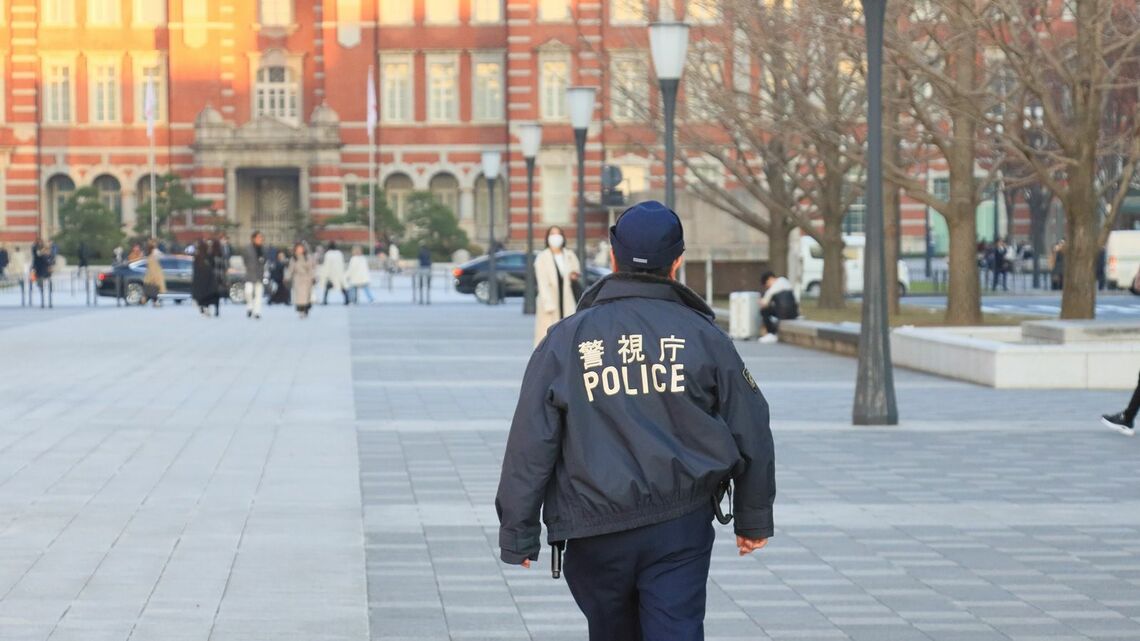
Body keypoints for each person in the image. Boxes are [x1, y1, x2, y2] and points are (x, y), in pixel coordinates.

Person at [496, 200, 775, 641]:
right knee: (676, 628)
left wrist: (518, 529)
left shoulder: (568, 339)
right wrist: (753, 516)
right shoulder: (705, 337)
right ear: (678, 262)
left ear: (612, 256)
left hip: (593, 526)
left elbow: (532, 439)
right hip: (679, 523)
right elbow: (751, 423)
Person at [532, 225, 581, 346]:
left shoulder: (569, 255)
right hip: (549, 301)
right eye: (552, 234)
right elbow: (542, 282)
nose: (555, 237)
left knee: (568, 331)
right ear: (548, 238)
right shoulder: (542, 257)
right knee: (547, 335)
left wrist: (573, 275)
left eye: (558, 234)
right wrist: (548, 303)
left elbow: (576, 270)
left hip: (567, 298)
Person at [759, 271, 798, 344]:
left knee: (764, 311)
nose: (768, 287)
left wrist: (760, 302)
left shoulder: (772, 289)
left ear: (769, 279)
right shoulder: (785, 281)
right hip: (793, 313)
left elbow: (764, 303)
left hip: (783, 314)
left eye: (767, 285)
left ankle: (771, 333)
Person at [286, 242, 316, 319]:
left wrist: (313, 277)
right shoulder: (293, 259)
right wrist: (287, 277)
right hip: (298, 279)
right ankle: (301, 310)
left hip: (307, 279)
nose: (300, 250)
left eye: (301, 248)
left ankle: (306, 309)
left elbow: (311, 268)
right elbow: (290, 269)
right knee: (299, 296)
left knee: (307, 295)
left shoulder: (308, 258)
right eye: (298, 249)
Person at [242, 231, 267, 319]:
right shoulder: (247, 248)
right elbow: (244, 260)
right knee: (248, 292)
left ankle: (257, 312)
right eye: (258, 237)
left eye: (261, 237)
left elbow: (265, 260)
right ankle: (250, 306)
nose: (260, 239)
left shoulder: (263, 249)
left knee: (258, 294)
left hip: (259, 274)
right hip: (250, 274)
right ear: (253, 238)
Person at [192, 239, 217, 316]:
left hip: (200, 280)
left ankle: (202, 307)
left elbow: (195, 269)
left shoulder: (197, 256)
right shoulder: (208, 256)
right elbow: (213, 266)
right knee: (207, 295)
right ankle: (205, 308)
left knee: (201, 295)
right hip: (207, 280)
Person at [322, 241, 348, 305]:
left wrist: (325, 274)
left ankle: (325, 300)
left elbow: (326, 265)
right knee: (342, 288)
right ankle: (347, 300)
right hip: (339, 273)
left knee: (327, 288)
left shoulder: (328, 254)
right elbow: (342, 263)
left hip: (331, 274)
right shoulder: (339, 253)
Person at [142, 241, 166, 307]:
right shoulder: (152, 257)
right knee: (154, 291)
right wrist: (155, 278)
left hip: (149, 277)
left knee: (150, 291)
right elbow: (153, 269)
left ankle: (147, 300)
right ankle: (153, 301)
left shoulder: (149, 256)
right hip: (153, 278)